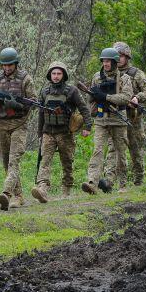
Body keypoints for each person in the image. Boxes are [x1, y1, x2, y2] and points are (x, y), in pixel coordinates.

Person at [0, 47, 37, 210]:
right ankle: (18, 196)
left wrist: (17, 104)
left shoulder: (25, 78)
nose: (7, 68)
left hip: (19, 124)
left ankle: (6, 193)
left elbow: (33, 101)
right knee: (6, 161)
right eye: (4, 65)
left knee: (14, 160)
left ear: (16, 64)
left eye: (10, 65)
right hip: (1, 125)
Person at [31, 61, 92, 203]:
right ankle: (42, 189)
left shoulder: (72, 91)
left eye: (59, 73)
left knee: (67, 162)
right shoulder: (44, 91)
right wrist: (40, 132)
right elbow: (41, 112)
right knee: (45, 161)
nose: (56, 76)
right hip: (48, 132)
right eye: (54, 73)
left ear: (63, 75)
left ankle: (66, 189)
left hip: (65, 133)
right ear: (49, 75)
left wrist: (88, 126)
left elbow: (83, 108)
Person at [81, 48, 133, 195]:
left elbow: (126, 98)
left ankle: (123, 184)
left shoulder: (124, 78)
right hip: (101, 119)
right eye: (104, 60)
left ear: (115, 62)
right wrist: (94, 98)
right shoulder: (97, 77)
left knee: (120, 152)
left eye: (108, 61)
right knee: (97, 150)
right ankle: (92, 183)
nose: (106, 63)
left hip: (118, 120)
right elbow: (90, 98)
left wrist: (105, 97)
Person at [105, 42, 146, 187]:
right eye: (116, 56)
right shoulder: (107, 74)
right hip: (114, 116)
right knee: (113, 148)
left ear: (127, 57)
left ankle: (138, 180)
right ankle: (109, 181)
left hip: (132, 117)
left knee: (135, 148)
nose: (118, 58)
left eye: (121, 56)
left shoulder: (136, 73)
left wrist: (137, 97)